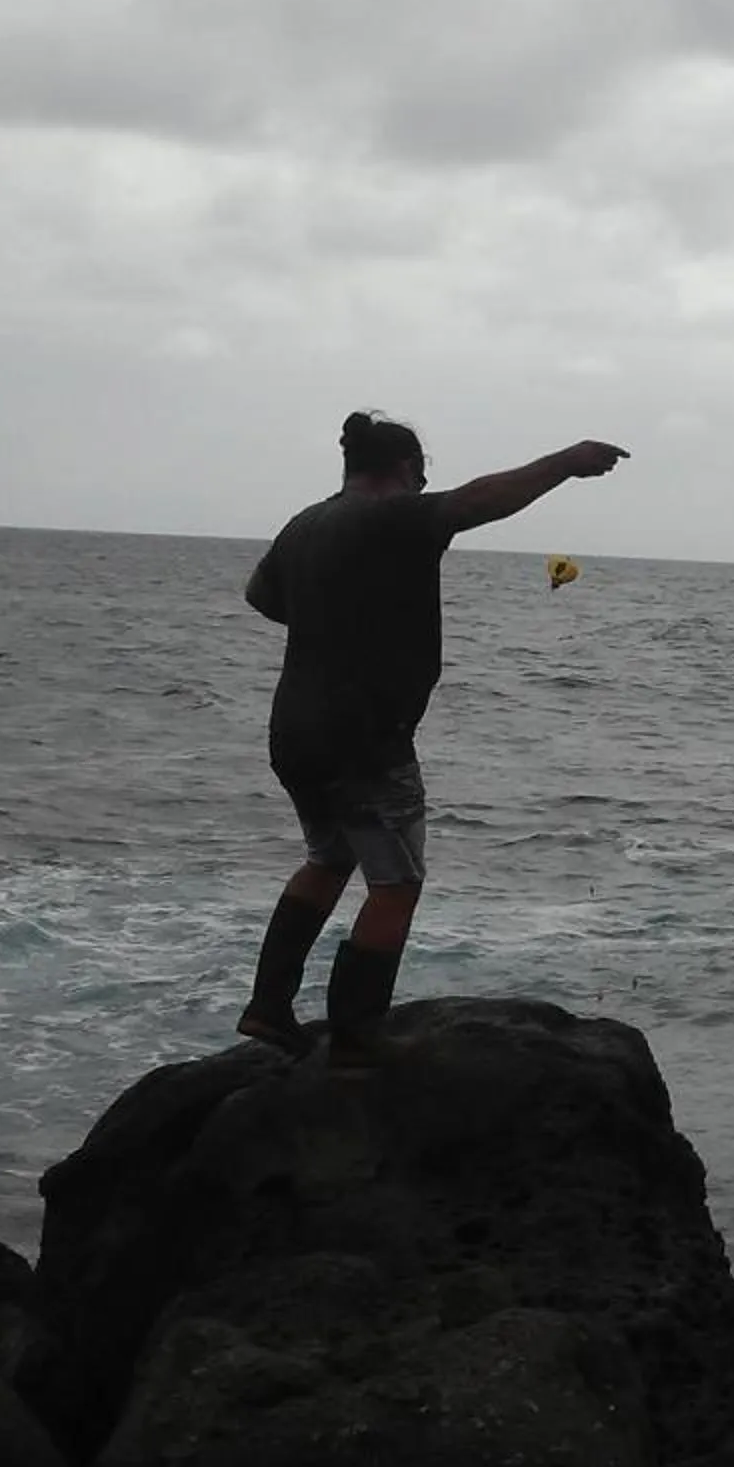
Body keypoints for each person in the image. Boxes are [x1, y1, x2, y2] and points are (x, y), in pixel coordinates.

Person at [238, 411, 629, 1065]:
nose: (425, 489)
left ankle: (267, 1007)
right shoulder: (390, 517)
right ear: (403, 470)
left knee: (329, 859)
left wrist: (335, 610)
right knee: (396, 883)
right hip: (364, 737)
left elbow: (262, 596)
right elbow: (477, 502)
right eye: (422, 477)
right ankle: (358, 1036)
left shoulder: (305, 525)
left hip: (295, 732)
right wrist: (567, 461)